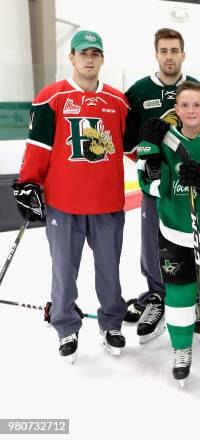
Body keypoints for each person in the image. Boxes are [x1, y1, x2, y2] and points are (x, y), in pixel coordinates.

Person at [13, 30, 130, 362]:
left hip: (106, 202)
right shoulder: (53, 96)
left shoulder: (118, 101)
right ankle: (65, 326)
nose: (89, 59)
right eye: (83, 53)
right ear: (72, 58)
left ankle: (112, 323)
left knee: (109, 268)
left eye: (95, 53)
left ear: (102, 58)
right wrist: (28, 182)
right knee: (63, 270)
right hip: (63, 204)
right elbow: (38, 146)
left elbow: (132, 147)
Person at [136, 81, 200, 386]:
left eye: (197, 105)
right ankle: (181, 351)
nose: (191, 111)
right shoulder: (163, 139)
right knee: (178, 296)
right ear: (176, 110)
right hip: (175, 231)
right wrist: (153, 158)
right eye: (184, 105)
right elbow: (149, 185)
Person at [123, 28, 200, 344]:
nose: (169, 56)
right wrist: (147, 156)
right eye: (163, 50)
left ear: (183, 54)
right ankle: (157, 296)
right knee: (153, 241)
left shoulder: (199, 91)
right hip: (159, 185)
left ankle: (192, 298)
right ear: (156, 54)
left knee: (194, 238)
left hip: (192, 183)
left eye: (174, 50)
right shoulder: (138, 91)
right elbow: (128, 141)